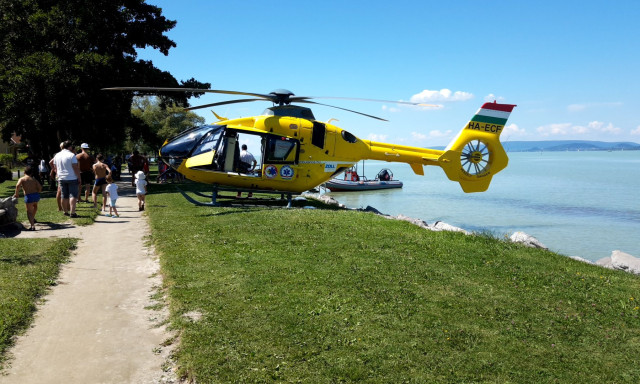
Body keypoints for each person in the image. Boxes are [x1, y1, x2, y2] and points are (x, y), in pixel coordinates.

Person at [52, 140, 80, 218]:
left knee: (64, 195)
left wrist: (57, 174)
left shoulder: (57, 155)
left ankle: (65, 211)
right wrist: (78, 177)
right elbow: (75, 167)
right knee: (73, 195)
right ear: (69, 147)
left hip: (61, 177)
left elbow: (55, 167)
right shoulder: (71, 155)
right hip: (72, 177)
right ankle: (73, 212)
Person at [13, 165, 43, 230]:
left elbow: (18, 186)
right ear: (31, 173)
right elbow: (40, 188)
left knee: (29, 211)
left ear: (24, 172)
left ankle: (32, 226)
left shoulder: (22, 179)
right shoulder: (34, 179)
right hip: (36, 195)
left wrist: (16, 194)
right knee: (35, 206)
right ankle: (33, 218)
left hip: (29, 196)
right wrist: (38, 191)